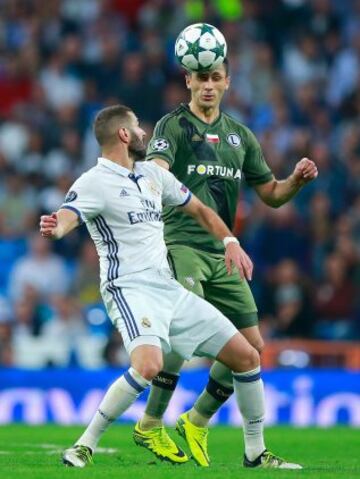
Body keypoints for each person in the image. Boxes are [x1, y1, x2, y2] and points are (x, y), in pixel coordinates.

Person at [39, 105, 300, 469]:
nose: (144, 132)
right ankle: (84, 445)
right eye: (138, 126)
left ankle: (255, 454)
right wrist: (57, 226)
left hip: (167, 288)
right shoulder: (93, 182)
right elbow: (68, 217)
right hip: (128, 289)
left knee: (248, 356)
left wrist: (229, 242)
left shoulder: (151, 175)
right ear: (124, 135)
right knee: (148, 364)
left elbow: (200, 210)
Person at [135, 59, 318, 468]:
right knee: (181, 332)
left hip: (224, 252)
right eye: (201, 78)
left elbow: (270, 193)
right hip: (180, 244)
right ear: (188, 81)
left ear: (227, 83)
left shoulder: (240, 136)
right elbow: (157, 172)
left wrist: (296, 182)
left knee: (252, 349)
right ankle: (150, 422)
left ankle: (202, 423)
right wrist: (156, 173)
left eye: (216, 78)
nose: (208, 86)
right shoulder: (172, 126)